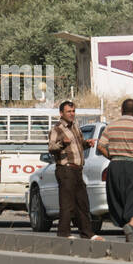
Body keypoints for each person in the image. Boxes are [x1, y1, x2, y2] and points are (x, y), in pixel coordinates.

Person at [96, 98, 133, 242]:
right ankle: (132, 224)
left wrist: (112, 157)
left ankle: (127, 227)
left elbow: (100, 146)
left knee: (118, 197)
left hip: (115, 166)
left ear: (121, 110)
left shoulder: (111, 126)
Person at [46, 100, 102, 241]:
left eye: (73, 111)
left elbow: (79, 145)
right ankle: (64, 233)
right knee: (67, 203)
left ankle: (87, 233)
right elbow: (51, 147)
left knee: (82, 202)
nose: (71, 114)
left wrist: (87, 144)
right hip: (65, 169)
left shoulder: (76, 127)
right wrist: (61, 143)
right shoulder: (57, 129)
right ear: (61, 113)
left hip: (78, 169)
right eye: (68, 112)